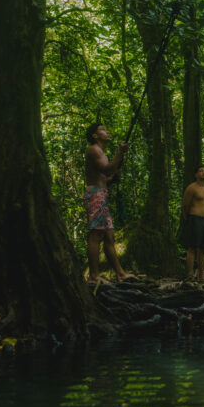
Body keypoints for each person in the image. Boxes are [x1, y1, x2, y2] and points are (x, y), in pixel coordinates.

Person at [84, 122, 137, 285]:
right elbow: (107, 169)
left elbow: (105, 178)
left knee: (109, 236)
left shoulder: (102, 153)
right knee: (96, 234)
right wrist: (120, 153)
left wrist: (113, 179)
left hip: (101, 194)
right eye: (102, 130)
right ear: (95, 136)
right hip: (95, 195)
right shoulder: (94, 150)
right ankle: (93, 276)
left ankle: (120, 274)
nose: (107, 132)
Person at [182, 165, 204, 282]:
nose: (203, 173)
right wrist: (189, 219)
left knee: (203, 249)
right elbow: (185, 205)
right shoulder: (191, 188)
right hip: (194, 219)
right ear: (196, 175)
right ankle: (189, 275)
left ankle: (201, 275)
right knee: (192, 248)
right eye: (200, 171)